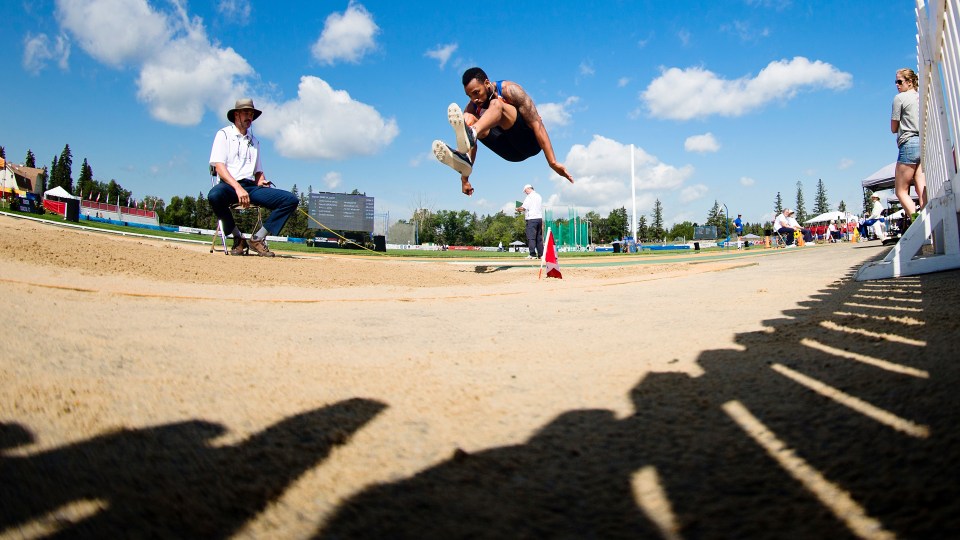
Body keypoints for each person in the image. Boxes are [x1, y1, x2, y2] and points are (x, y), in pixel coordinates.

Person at [433, 67, 575, 196]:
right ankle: (465, 156)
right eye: (469, 96)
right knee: (467, 118)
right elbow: (470, 144)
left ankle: (473, 132)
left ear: (487, 83)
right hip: (510, 152)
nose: (474, 99)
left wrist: (552, 162)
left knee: (496, 104)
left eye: (476, 93)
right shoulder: (472, 107)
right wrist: (465, 179)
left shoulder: (509, 90)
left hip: (530, 143)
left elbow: (537, 124)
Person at [208, 98, 298, 257]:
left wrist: (261, 181)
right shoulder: (224, 135)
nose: (249, 117)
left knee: (291, 199)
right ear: (236, 115)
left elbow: (258, 172)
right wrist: (237, 188)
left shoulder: (254, 141)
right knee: (214, 196)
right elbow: (219, 167)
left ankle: (257, 239)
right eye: (246, 113)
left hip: (251, 187)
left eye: (251, 114)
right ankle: (238, 237)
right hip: (229, 186)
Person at [891, 68, 927, 222]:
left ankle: (917, 220)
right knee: (921, 188)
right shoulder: (922, 96)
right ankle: (927, 217)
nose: (897, 85)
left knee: (900, 190)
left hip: (909, 141)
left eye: (900, 81)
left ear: (910, 82)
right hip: (923, 142)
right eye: (896, 82)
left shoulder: (900, 98)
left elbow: (893, 127)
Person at [516, 184, 544, 259]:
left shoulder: (529, 197)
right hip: (539, 218)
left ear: (528, 189)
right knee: (539, 237)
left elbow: (523, 208)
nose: (525, 192)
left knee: (531, 237)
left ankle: (532, 254)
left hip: (531, 219)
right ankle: (541, 254)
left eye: (525, 191)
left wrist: (517, 209)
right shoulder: (539, 196)